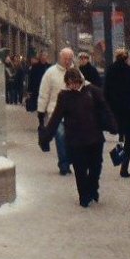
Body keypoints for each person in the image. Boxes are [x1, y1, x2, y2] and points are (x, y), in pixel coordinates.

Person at [40, 67, 117, 207]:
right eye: (70, 83)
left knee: (96, 166)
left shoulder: (93, 91)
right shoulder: (64, 96)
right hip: (75, 139)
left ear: (80, 80)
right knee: (80, 169)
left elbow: (105, 109)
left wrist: (113, 125)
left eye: (75, 82)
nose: (73, 86)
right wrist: (46, 137)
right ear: (66, 83)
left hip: (94, 137)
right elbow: (56, 118)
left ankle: (93, 188)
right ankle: (84, 196)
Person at [105, 49, 130, 178]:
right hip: (128, 110)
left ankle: (125, 169)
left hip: (116, 110)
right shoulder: (129, 71)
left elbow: (106, 91)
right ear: (127, 58)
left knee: (129, 139)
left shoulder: (110, 70)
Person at [38, 47, 77, 175]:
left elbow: (83, 87)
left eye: (69, 59)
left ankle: (69, 159)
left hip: (72, 111)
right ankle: (64, 164)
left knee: (72, 137)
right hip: (55, 111)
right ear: (60, 58)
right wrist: (41, 111)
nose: (67, 61)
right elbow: (44, 93)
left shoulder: (75, 72)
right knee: (60, 136)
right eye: (65, 58)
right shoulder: (50, 73)